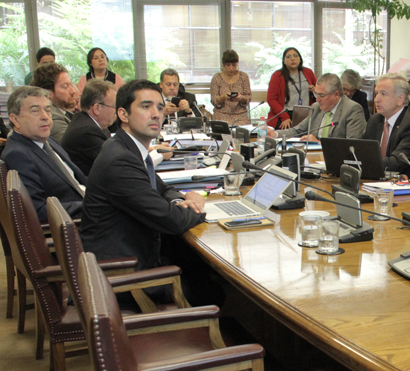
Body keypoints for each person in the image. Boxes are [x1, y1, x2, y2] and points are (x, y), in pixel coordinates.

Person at [80, 79, 222, 308]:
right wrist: (196, 205)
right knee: (213, 289)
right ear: (123, 114)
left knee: (199, 265)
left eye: (159, 106)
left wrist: (179, 199)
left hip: (133, 257)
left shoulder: (127, 148)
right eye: (146, 107)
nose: (156, 114)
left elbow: (162, 189)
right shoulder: (120, 160)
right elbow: (172, 220)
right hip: (122, 277)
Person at [2, 86, 87, 222]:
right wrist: (92, 205)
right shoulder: (17, 155)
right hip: (78, 223)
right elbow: (38, 210)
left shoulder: (47, 141)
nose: (45, 117)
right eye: (35, 111)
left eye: (48, 110)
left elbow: (77, 180)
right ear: (15, 119)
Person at [363, 73, 410, 180]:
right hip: (380, 182)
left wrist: (360, 161)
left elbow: (395, 163)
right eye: (376, 93)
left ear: (400, 99)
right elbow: (360, 149)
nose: (376, 99)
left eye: (383, 94)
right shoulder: (375, 120)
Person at [267, 73, 366, 141]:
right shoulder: (316, 107)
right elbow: (298, 130)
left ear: (336, 94)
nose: (317, 99)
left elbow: (352, 146)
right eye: (316, 94)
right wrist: (275, 134)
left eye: (321, 95)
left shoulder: (352, 110)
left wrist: (319, 144)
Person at [266, 47, 317, 129]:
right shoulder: (277, 75)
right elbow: (271, 99)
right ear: (284, 61)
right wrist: (284, 117)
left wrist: (314, 91)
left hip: (306, 113)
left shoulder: (308, 72)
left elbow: (319, 93)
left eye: (295, 56)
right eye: (288, 57)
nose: (292, 59)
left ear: (300, 59)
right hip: (285, 114)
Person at [31, 62, 78, 143]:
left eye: (71, 84)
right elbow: (75, 146)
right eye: (65, 86)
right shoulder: (52, 117)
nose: (73, 91)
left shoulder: (64, 113)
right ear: (48, 94)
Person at [210, 50, 251, 125]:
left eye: (234, 65)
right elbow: (213, 100)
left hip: (240, 116)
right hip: (221, 115)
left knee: (242, 132)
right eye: (228, 65)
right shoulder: (216, 78)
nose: (231, 68)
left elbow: (248, 98)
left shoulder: (244, 77)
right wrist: (223, 97)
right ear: (223, 65)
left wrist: (241, 98)